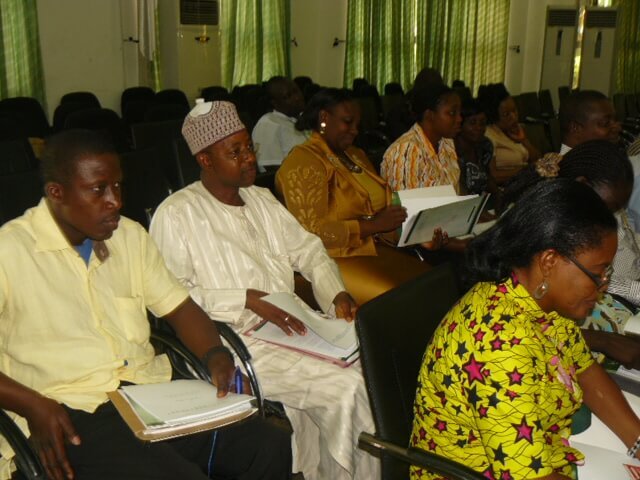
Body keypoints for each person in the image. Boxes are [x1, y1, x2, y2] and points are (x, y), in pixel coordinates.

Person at [0, 130, 291, 480]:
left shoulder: (130, 236)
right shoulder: (9, 251)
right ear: (56, 193)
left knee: (266, 443)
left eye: (118, 187)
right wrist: (31, 404)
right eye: (99, 190)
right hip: (68, 409)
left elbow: (180, 308)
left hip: (147, 395)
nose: (116, 201)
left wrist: (215, 353)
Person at [149, 100, 378, 480]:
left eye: (248, 147)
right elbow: (171, 297)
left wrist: (335, 293)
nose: (249, 158)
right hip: (230, 341)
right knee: (344, 388)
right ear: (205, 160)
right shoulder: (176, 214)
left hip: (294, 323)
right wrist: (246, 298)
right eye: (234, 152)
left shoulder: (261, 198)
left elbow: (309, 250)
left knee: (372, 363)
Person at [411, 179, 640, 479]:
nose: (604, 285)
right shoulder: (499, 346)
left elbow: (583, 366)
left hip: (539, 452)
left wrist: (637, 442)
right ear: (549, 261)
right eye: (597, 274)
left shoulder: (537, 297)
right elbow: (527, 476)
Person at [275, 88, 431, 304]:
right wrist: (372, 226)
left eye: (357, 124)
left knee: (432, 282)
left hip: (375, 249)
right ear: (323, 118)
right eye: (348, 122)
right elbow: (311, 233)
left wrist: (418, 231)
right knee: (405, 298)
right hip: (332, 259)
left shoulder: (356, 155)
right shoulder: (304, 162)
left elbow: (383, 215)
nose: (355, 130)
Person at [502, 140, 640, 369]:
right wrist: (602, 340)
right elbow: (532, 329)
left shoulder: (583, 221)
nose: (608, 219)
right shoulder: (538, 227)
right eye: (607, 209)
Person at [381, 84, 462, 192]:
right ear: (429, 115)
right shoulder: (406, 150)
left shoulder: (446, 143)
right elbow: (406, 206)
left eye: (459, 112)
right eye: (452, 113)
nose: (459, 119)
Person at [478, 83, 541, 185]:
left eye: (514, 110)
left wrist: (524, 141)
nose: (514, 117)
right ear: (494, 116)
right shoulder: (489, 135)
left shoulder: (514, 129)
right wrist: (527, 170)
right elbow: (493, 176)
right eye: (506, 114)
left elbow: (538, 160)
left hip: (526, 183)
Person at [251, 76, 308, 171]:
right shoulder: (268, 124)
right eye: (288, 96)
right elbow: (272, 167)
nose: (297, 98)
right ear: (274, 103)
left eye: (296, 91)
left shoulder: (304, 119)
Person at [558, 89, 621, 155]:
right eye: (606, 123)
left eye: (616, 120)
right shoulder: (572, 164)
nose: (618, 127)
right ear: (575, 128)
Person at [454, 98, 493, 196]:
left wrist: (498, 195)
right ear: (460, 124)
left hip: (482, 201)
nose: (478, 128)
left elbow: (488, 178)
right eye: (472, 123)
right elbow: (460, 191)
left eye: (482, 123)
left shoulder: (485, 146)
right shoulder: (452, 151)